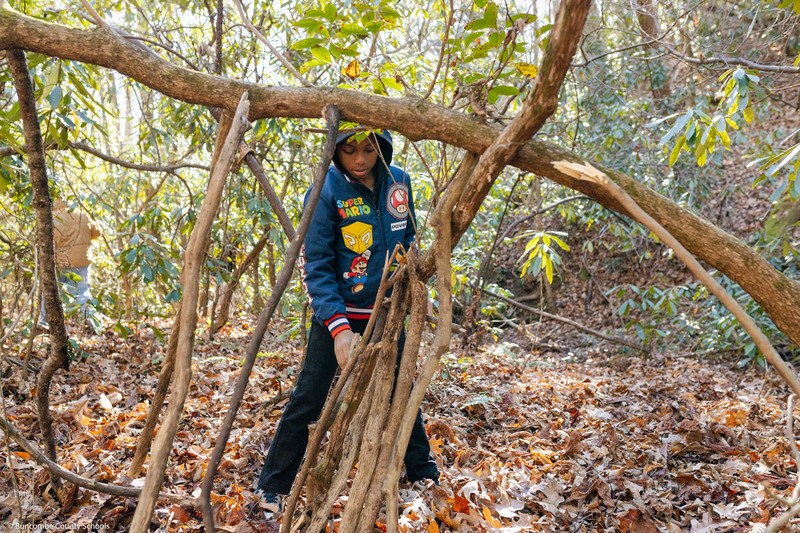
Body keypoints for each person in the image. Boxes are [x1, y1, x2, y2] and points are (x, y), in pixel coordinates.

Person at [256, 129, 439, 516]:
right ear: (335, 149)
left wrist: (408, 292)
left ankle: (424, 473)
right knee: (310, 396)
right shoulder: (325, 191)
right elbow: (316, 265)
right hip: (338, 315)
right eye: (349, 149)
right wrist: (339, 328)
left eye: (370, 149)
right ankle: (273, 486)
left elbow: (408, 238)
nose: (360, 159)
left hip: (387, 312)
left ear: (383, 147)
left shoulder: (398, 182)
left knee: (400, 391)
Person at [39, 197, 102, 328]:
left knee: (50, 292)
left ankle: (43, 322)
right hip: (81, 261)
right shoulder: (81, 214)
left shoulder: (50, 218)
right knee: (82, 291)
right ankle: (93, 323)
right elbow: (97, 233)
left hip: (59, 262)